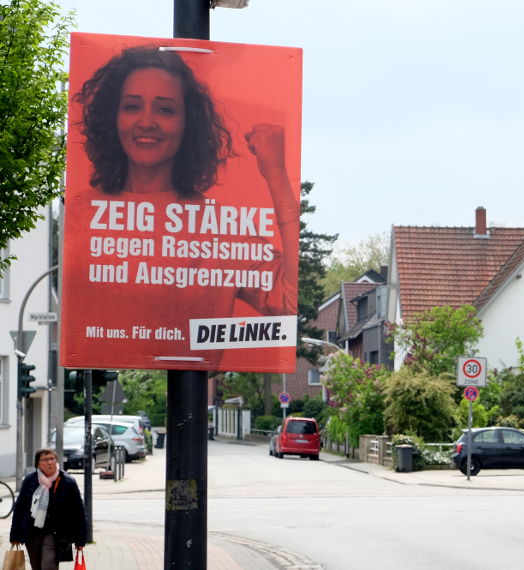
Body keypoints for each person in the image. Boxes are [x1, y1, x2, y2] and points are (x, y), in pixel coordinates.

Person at [64, 44, 299, 369]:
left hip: (195, 395)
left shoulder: (222, 230)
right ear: (112, 116)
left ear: (189, 124)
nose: (147, 121)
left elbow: (289, 303)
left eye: (165, 109)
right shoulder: (81, 214)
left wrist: (277, 175)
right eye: (132, 106)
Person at [9, 449, 86, 570]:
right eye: (45, 459)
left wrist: (80, 539)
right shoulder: (30, 480)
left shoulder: (67, 482)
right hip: (32, 532)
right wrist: (15, 535)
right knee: (36, 566)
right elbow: (19, 507)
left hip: (55, 533)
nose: (49, 462)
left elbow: (78, 512)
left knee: (49, 565)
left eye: (52, 459)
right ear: (37, 464)